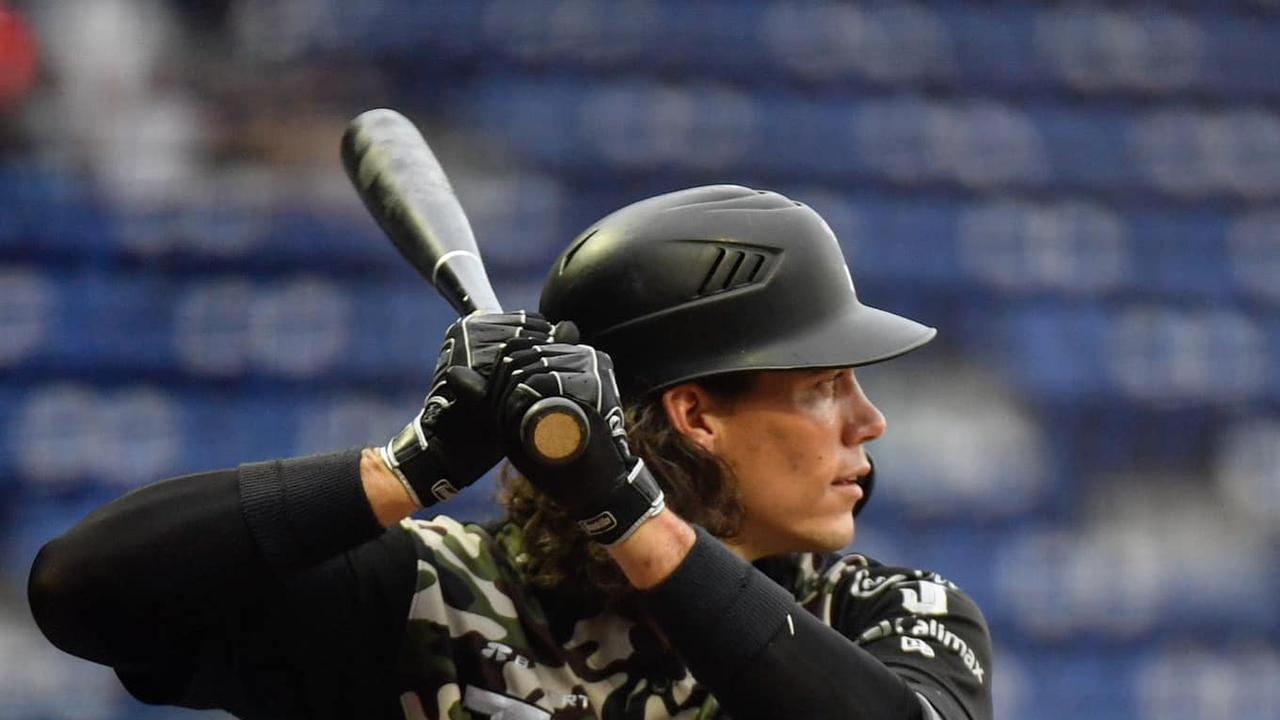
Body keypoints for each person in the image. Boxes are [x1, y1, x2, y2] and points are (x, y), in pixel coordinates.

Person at [28, 185, 992, 720]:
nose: (869, 421)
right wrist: (406, 468)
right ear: (696, 415)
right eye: (825, 386)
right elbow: (84, 591)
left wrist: (630, 511)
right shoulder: (425, 600)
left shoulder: (884, 612)